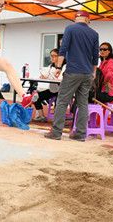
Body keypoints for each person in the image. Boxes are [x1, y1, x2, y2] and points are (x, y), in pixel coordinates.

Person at [44, 10, 99, 141]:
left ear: (76, 19)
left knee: (62, 101)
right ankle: (80, 134)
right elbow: (95, 56)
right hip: (87, 73)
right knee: (83, 103)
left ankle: (56, 132)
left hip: (73, 71)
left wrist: (58, 67)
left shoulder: (70, 29)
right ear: (87, 19)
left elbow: (63, 49)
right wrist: (94, 72)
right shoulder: (94, 34)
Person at [31, 48, 65, 122]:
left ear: (59, 57)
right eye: (51, 56)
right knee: (36, 98)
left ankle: (58, 120)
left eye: (54, 56)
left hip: (63, 91)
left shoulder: (65, 66)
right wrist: (43, 76)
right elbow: (46, 75)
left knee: (58, 101)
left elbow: (61, 79)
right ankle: (41, 116)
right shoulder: (50, 66)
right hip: (53, 90)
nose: (52, 58)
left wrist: (53, 77)